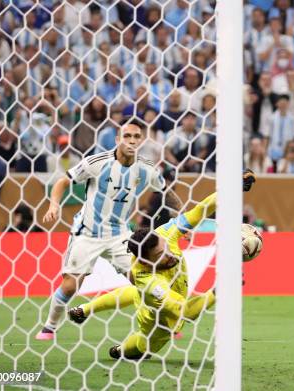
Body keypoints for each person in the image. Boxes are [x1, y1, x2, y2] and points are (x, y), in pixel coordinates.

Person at [67, 171, 257, 359]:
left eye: (165, 247)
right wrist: (219, 290)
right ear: (147, 262)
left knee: (134, 292)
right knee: (144, 348)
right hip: (158, 318)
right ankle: (120, 350)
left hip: (160, 287)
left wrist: (232, 188)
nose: (168, 254)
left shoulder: (165, 233)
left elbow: (200, 210)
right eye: (160, 255)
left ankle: (84, 310)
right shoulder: (151, 282)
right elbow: (186, 312)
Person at [35, 119, 183, 341]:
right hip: (87, 232)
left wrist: (180, 220)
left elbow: (167, 193)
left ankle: (165, 322)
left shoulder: (147, 169)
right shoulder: (97, 162)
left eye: (136, 137)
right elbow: (62, 182)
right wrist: (54, 204)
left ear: (141, 140)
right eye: (127, 136)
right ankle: (49, 327)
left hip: (120, 235)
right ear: (117, 139)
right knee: (70, 286)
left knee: (141, 278)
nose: (131, 141)